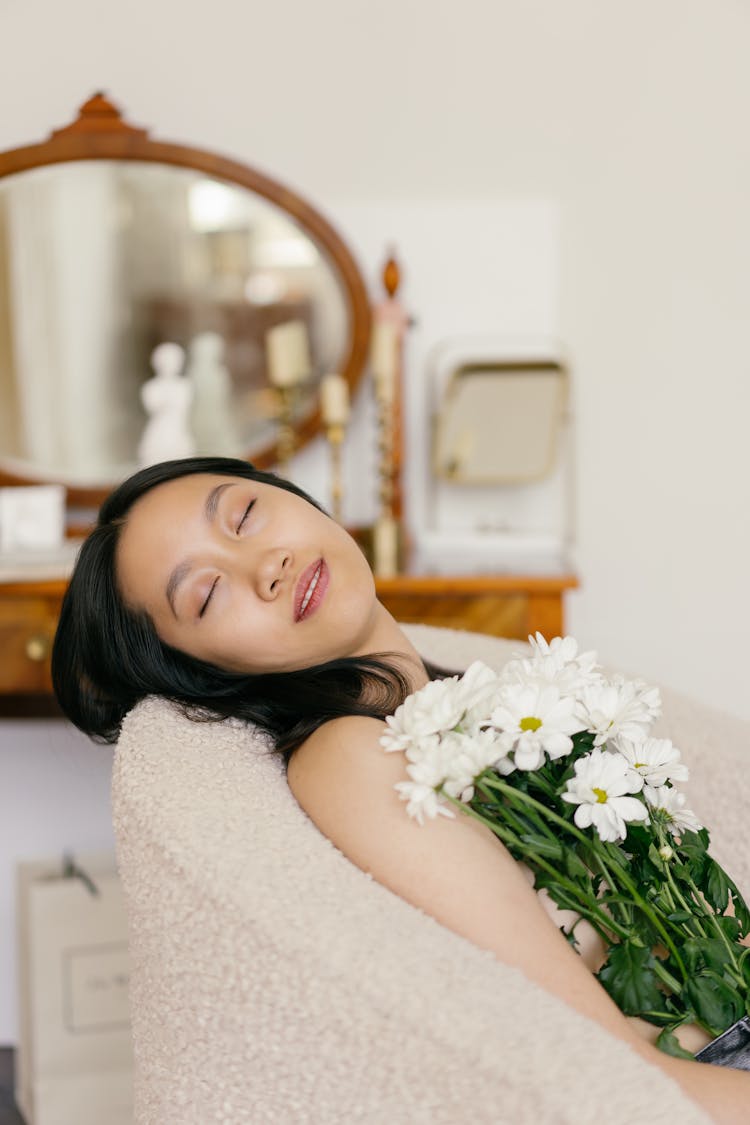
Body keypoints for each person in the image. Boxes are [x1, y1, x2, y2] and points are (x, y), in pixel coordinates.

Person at [52, 456, 748, 1124]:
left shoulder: (472, 697)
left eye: (245, 515)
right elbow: (606, 1061)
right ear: (203, 674)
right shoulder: (350, 756)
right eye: (206, 595)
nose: (266, 566)